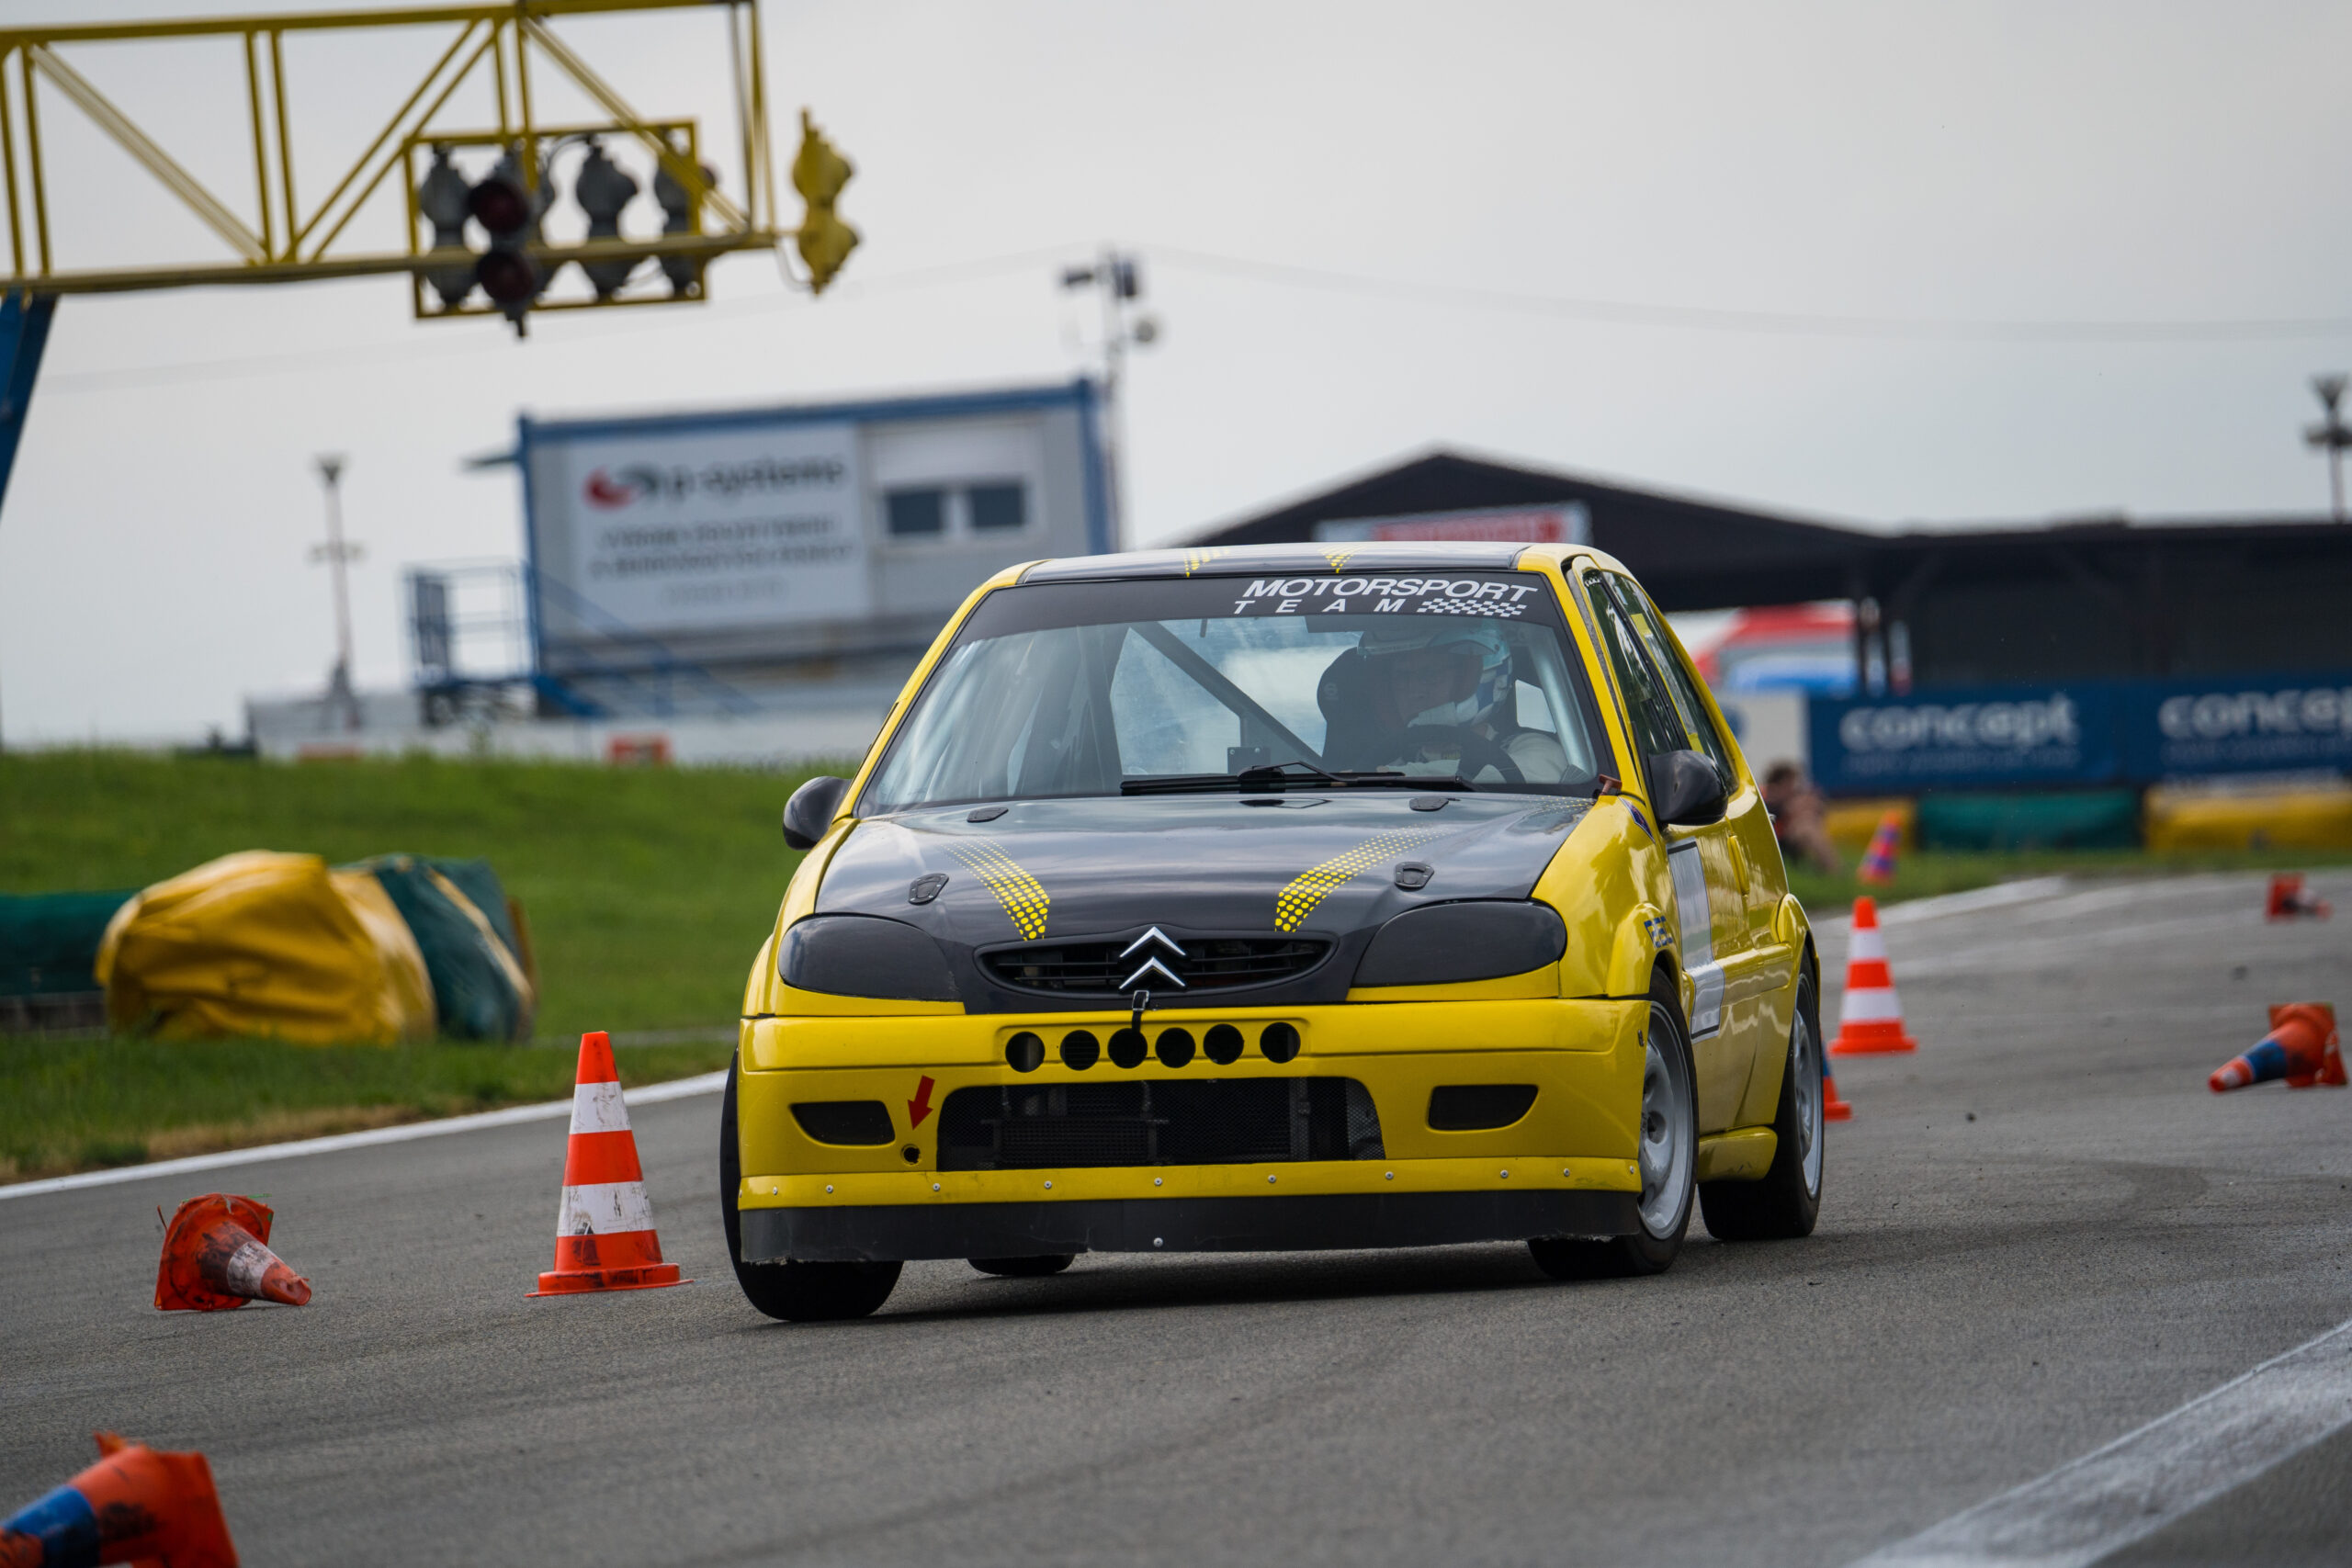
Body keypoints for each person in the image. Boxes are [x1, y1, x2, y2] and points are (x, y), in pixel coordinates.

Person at [1317, 620, 1571, 784]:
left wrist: (1391, 778)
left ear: (1475, 678)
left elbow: (1509, 776)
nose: (1414, 691)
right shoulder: (1384, 763)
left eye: (1429, 675)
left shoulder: (1533, 749)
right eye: (1402, 676)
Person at [1760, 760, 1842, 874]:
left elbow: (1819, 808)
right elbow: (1771, 812)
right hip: (1777, 837)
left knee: (1808, 823)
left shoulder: (1795, 795)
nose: (1793, 785)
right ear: (1781, 781)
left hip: (1793, 833)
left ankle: (1831, 867)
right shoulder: (1768, 794)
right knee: (1807, 828)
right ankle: (1833, 869)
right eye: (1790, 781)